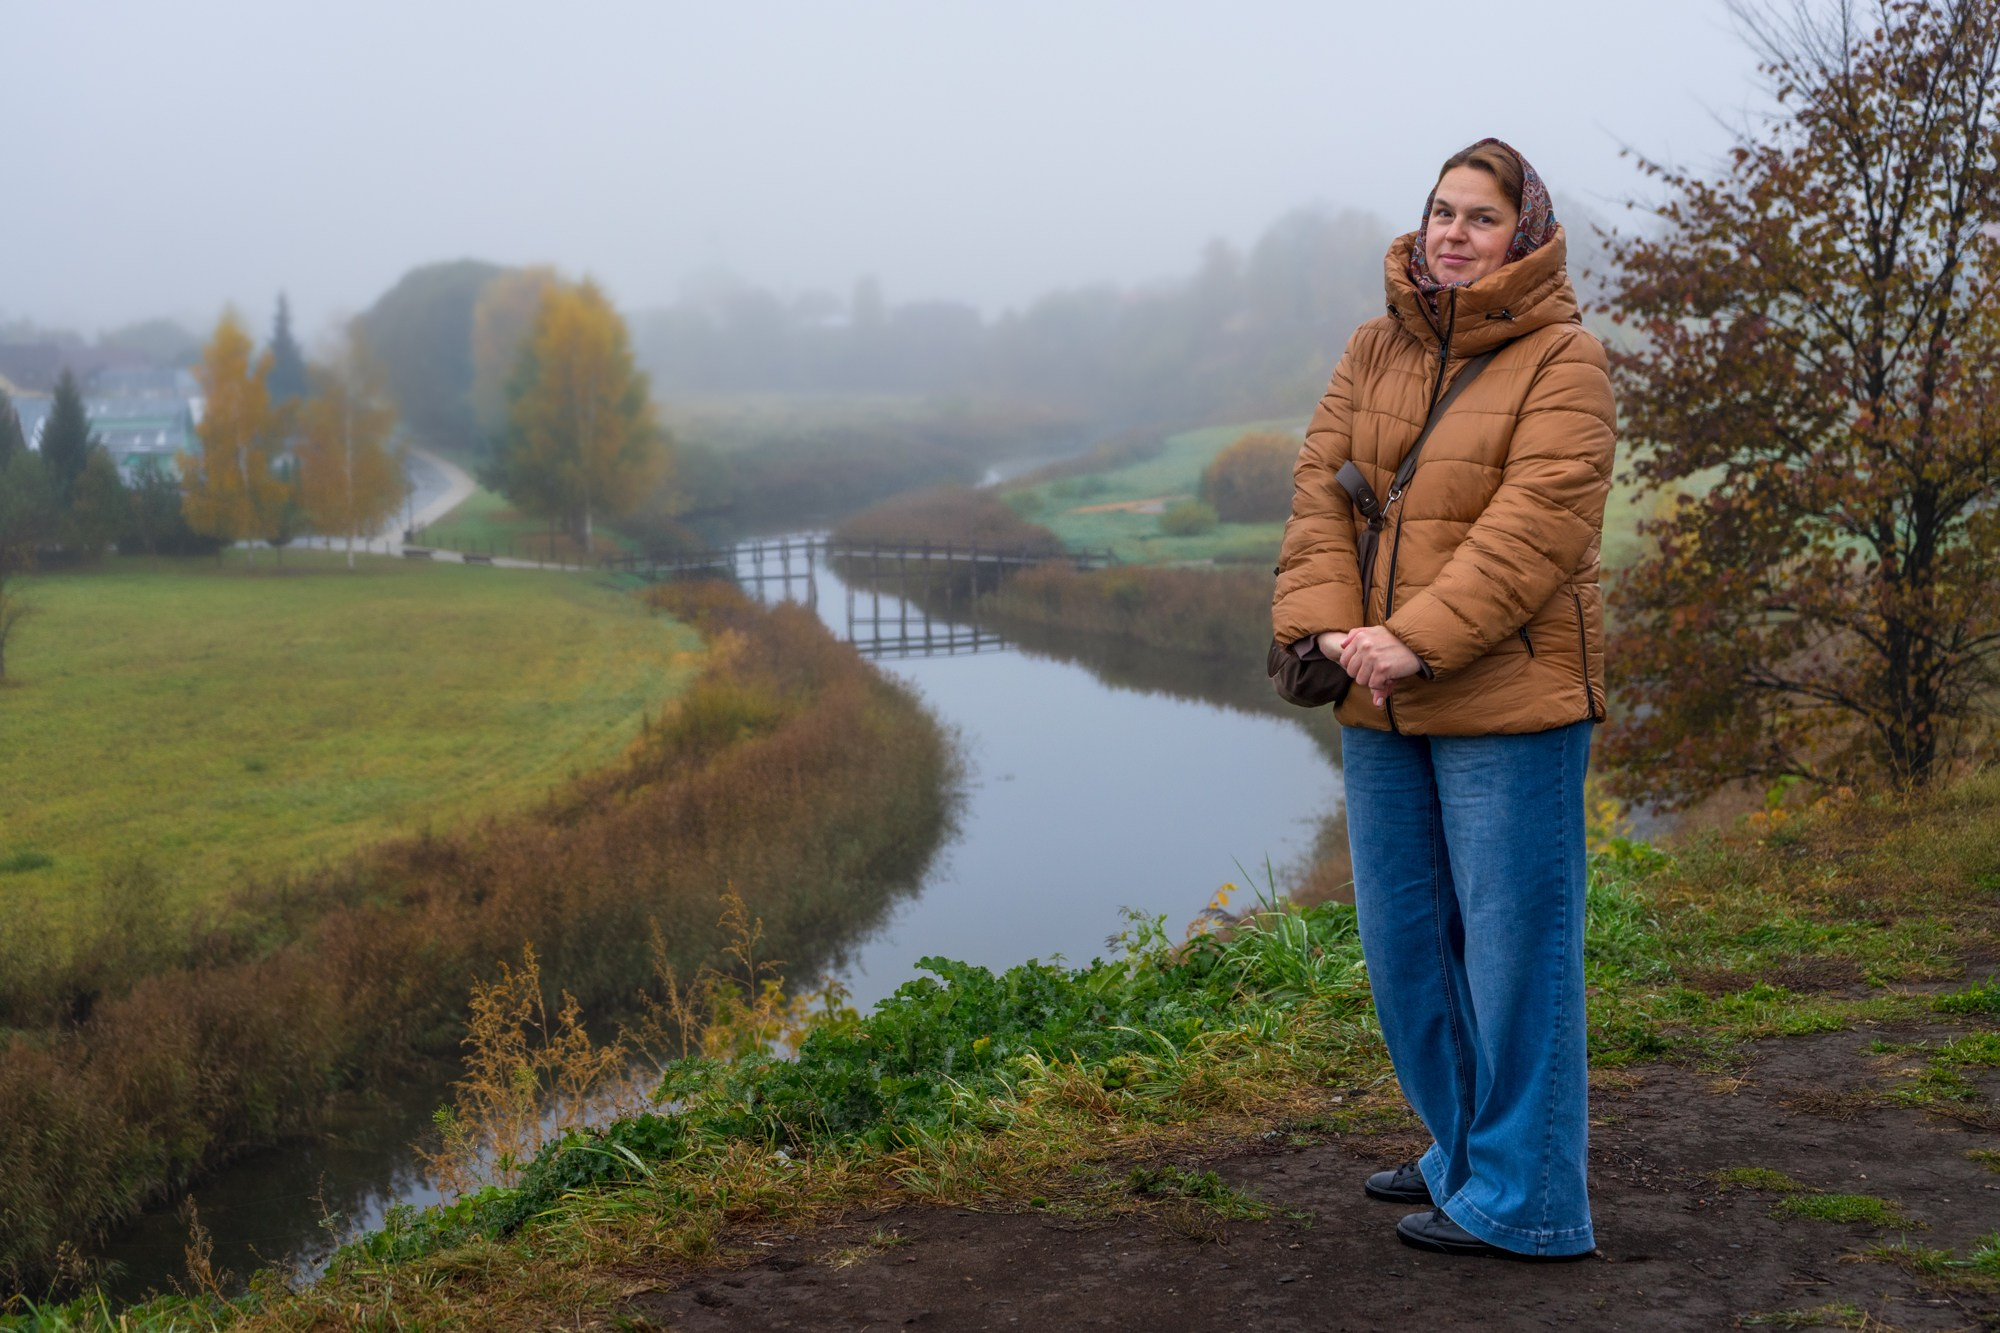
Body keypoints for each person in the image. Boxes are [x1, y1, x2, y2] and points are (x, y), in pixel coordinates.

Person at [1272, 138, 1614, 1259]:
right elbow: (1320, 497)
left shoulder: (1564, 360)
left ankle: (1530, 1199)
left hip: (1507, 699)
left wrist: (1412, 640)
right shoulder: (1373, 346)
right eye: (1441, 211)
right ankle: (1464, 1152)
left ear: (1526, 234)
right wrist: (1332, 631)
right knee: (1408, 947)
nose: (1453, 232)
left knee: (1515, 956)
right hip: (1377, 694)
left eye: (1480, 215)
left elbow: (1536, 528)